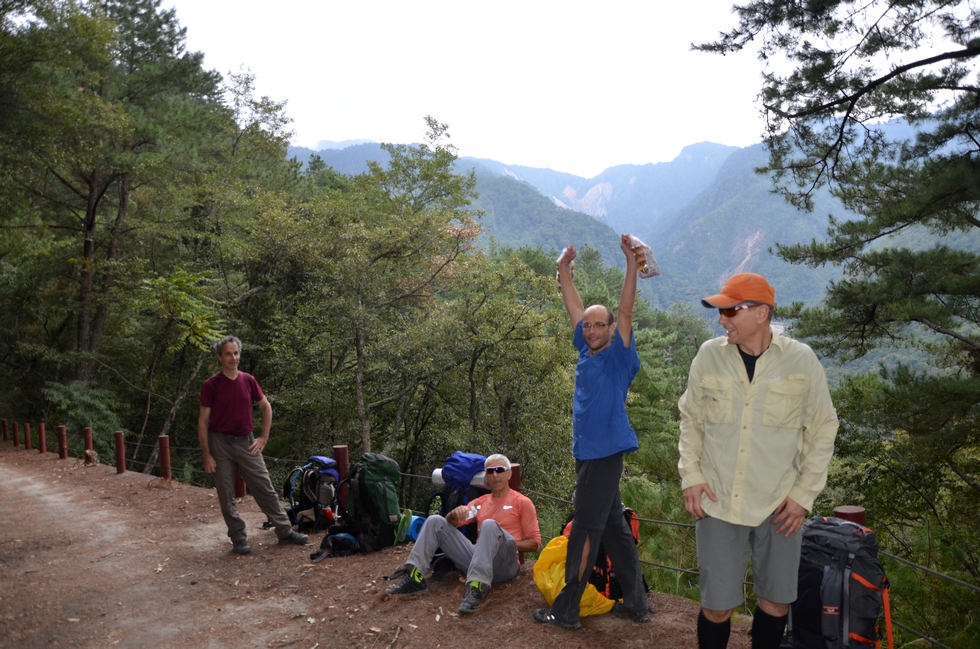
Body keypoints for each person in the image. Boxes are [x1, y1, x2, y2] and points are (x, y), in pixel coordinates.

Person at [677, 273, 839, 649]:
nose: (722, 319)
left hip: (779, 503)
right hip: (717, 500)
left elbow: (822, 429)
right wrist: (691, 476)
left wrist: (803, 495)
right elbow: (691, 420)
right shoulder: (709, 355)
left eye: (730, 310)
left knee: (776, 601)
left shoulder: (801, 360)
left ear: (762, 313)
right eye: (721, 311)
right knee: (716, 606)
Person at [533, 235, 651, 631]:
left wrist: (631, 264)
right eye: (588, 325)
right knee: (615, 529)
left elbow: (626, 310)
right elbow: (573, 305)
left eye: (600, 325)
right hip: (586, 453)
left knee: (585, 528)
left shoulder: (619, 356)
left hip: (605, 454)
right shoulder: (584, 349)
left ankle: (566, 610)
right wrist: (564, 268)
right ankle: (636, 603)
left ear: (610, 328)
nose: (592, 330)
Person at [386, 454, 541, 615]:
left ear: (509, 474)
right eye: (490, 471)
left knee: (488, 525)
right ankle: (415, 578)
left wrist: (498, 541)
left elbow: (535, 543)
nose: (495, 475)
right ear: (486, 476)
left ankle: (476, 587)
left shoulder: (522, 502)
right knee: (434, 521)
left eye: (499, 470)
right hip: (478, 560)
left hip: (505, 565)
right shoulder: (481, 503)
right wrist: (454, 514)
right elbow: (451, 523)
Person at [197, 336, 309, 555]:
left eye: (236, 353)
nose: (233, 358)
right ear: (219, 357)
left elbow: (266, 407)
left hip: (247, 441)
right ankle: (238, 538)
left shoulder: (248, 380)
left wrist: (264, 438)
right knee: (226, 493)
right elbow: (202, 422)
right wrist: (207, 455)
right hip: (219, 442)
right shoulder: (211, 385)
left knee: (264, 487)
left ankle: (284, 531)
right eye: (228, 354)